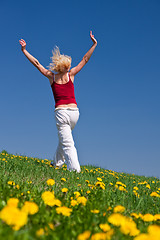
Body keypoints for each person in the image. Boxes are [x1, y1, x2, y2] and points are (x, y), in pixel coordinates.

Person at [19, 30, 97, 173]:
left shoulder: (52, 77)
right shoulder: (71, 74)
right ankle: (56, 163)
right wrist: (94, 44)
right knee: (64, 138)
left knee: (67, 142)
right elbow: (85, 59)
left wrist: (24, 51)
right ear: (66, 66)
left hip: (61, 112)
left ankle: (75, 171)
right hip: (74, 113)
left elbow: (37, 64)